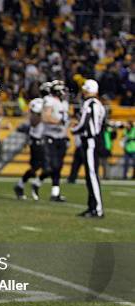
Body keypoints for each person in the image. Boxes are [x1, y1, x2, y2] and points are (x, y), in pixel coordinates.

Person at [71, 79, 106, 218]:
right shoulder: (99, 105)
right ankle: (92, 207)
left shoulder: (89, 103)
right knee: (90, 175)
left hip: (90, 142)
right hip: (94, 141)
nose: (83, 91)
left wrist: (74, 130)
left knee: (92, 175)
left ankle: (97, 208)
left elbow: (84, 123)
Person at [37, 80, 69, 202]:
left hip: (61, 137)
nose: (64, 92)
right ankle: (38, 182)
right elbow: (45, 117)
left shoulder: (64, 103)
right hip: (50, 136)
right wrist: (59, 122)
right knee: (53, 166)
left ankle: (55, 193)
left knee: (59, 166)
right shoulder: (49, 100)